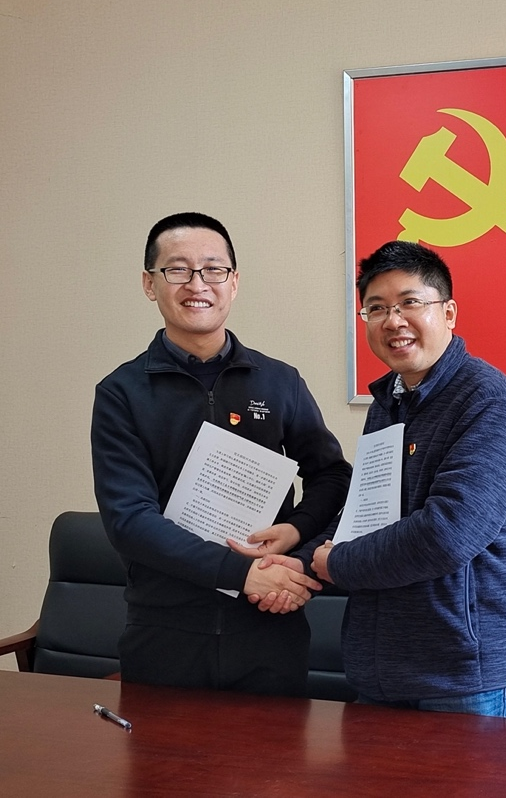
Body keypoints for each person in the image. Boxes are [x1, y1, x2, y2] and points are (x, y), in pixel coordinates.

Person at [260, 240, 506, 717]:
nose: (393, 321)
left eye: (410, 302)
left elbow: (448, 534)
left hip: (461, 676)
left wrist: (335, 564)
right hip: (380, 667)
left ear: (448, 312)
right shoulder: (389, 403)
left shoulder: (487, 399)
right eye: (376, 308)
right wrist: (298, 565)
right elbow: (365, 515)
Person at [91, 211, 351, 695]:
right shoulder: (121, 393)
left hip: (269, 626)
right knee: (162, 749)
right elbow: (129, 519)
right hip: (165, 633)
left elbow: (333, 477)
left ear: (234, 282)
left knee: (274, 748)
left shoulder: (280, 381)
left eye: (213, 269)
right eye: (177, 269)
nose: (197, 284)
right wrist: (242, 573)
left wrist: (295, 533)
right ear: (149, 284)